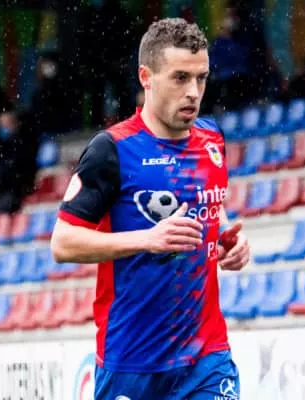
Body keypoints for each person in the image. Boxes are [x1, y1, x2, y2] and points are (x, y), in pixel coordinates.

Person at [51, 18, 250, 399]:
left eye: (201, 78)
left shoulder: (212, 138)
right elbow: (62, 243)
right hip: (132, 363)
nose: (193, 92)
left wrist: (227, 237)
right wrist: (147, 239)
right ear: (146, 77)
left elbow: (209, 201)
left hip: (206, 358)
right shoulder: (112, 149)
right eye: (180, 78)